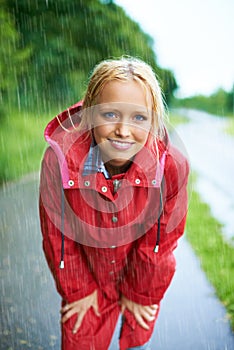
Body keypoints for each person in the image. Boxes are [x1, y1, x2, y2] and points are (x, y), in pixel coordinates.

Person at [39, 56, 189, 350]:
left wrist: (140, 293)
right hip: (86, 275)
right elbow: (57, 235)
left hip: (140, 275)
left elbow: (161, 241)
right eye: (109, 115)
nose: (123, 129)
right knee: (79, 341)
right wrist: (79, 289)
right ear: (90, 114)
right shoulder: (60, 162)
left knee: (135, 340)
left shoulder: (171, 166)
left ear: (153, 120)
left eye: (139, 118)